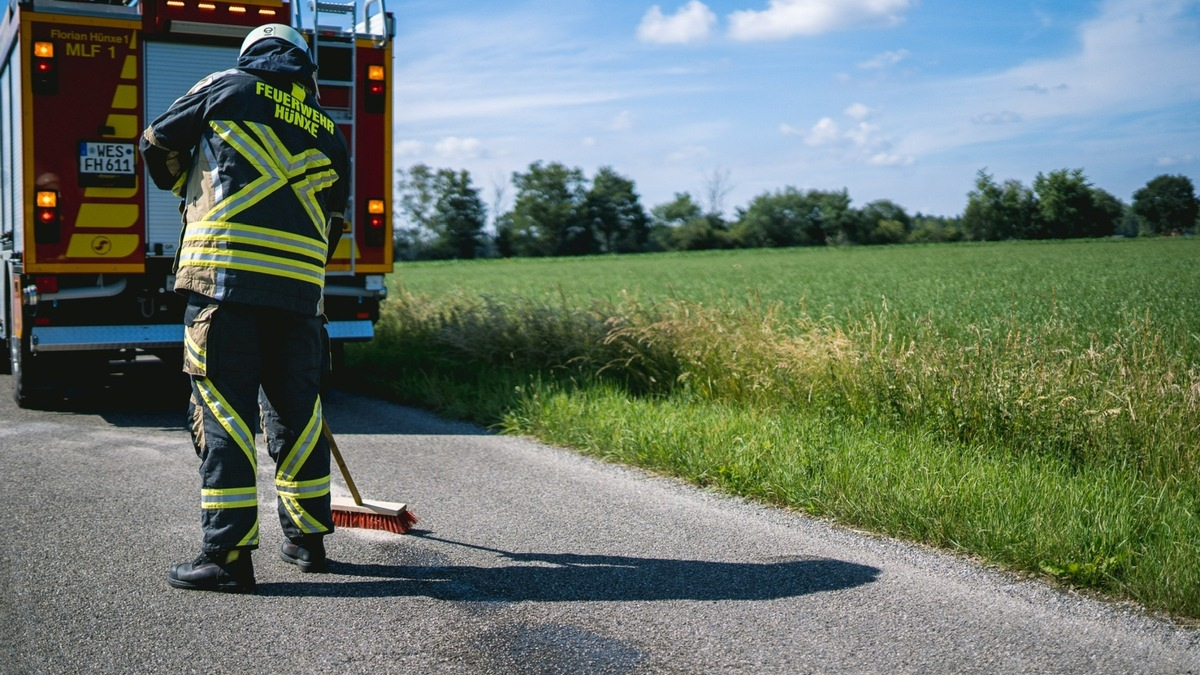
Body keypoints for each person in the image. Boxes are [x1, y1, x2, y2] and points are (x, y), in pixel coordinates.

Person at [140, 23, 349, 593]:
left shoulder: (225, 87)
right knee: (299, 417)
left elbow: (155, 142)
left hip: (223, 289)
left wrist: (182, 179)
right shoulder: (331, 131)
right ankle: (306, 543)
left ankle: (227, 557)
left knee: (224, 417)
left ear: (251, 56)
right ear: (304, 68)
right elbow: (334, 225)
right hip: (301, 299)